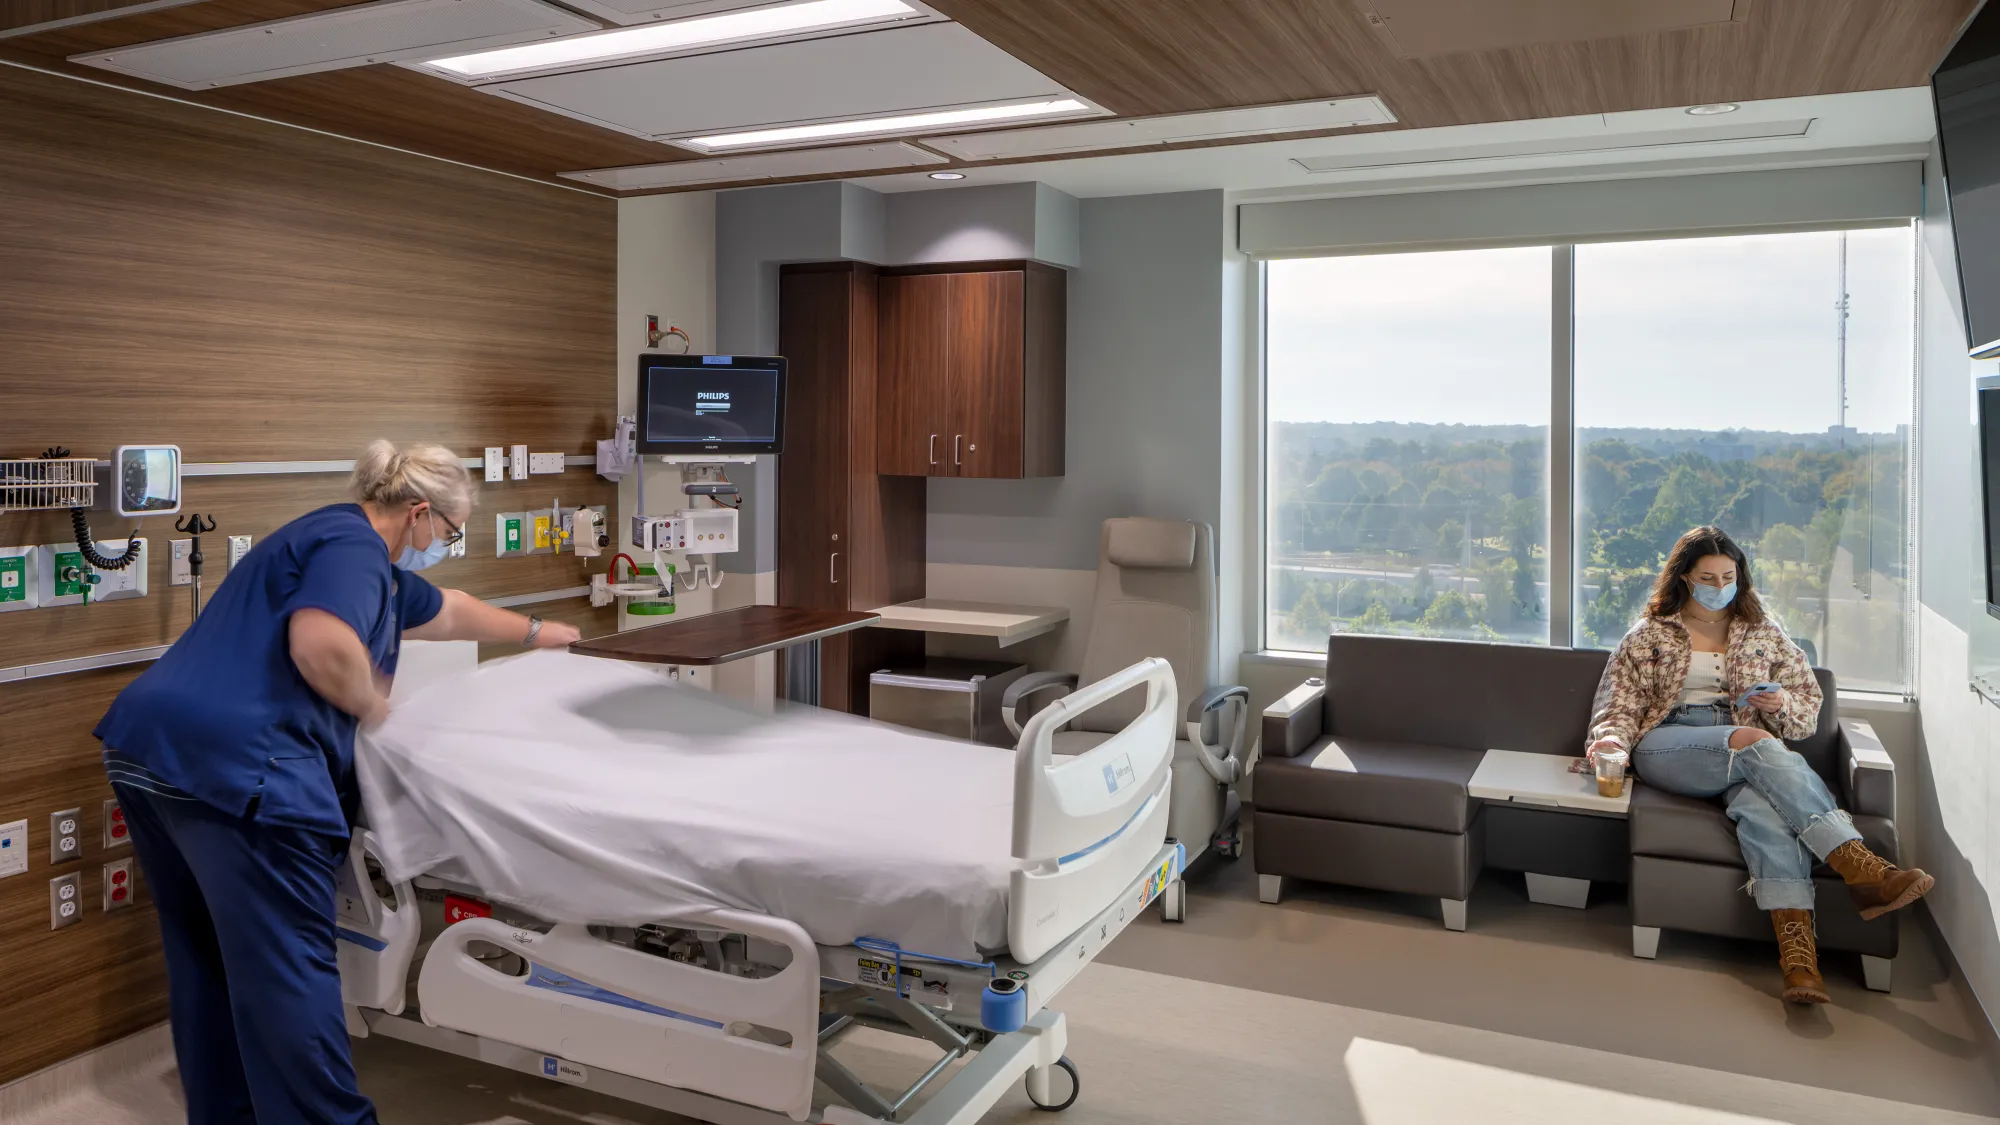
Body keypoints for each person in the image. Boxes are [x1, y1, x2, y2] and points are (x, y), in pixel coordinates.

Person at [94, 440, 582, 1125]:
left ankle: (227, 1113)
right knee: (289, 967)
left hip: (151, 753)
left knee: (206, 955)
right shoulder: (354, 550)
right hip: (244, 774)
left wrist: (537, 631)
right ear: (418, 513)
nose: (445, 544)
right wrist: (381, 713)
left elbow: (449, 608)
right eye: (448, 532)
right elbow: (320, 644)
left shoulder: (337, 546)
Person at [1587, 525, 1932, 1006]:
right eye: (1707, 576)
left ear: (1740, 575)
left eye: (1728, 575)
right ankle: (1861, 868)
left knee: (1766, 812)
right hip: (1668, 744)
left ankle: (1799, 963)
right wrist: (1610, 746)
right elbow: (1617, 706)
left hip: (1745, 751)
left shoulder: (1763, 632)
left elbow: (1808, 705)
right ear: (1685, 577)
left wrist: (1779, 702)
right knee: (1757, 743)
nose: (1719, 584)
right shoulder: (1649, 634)